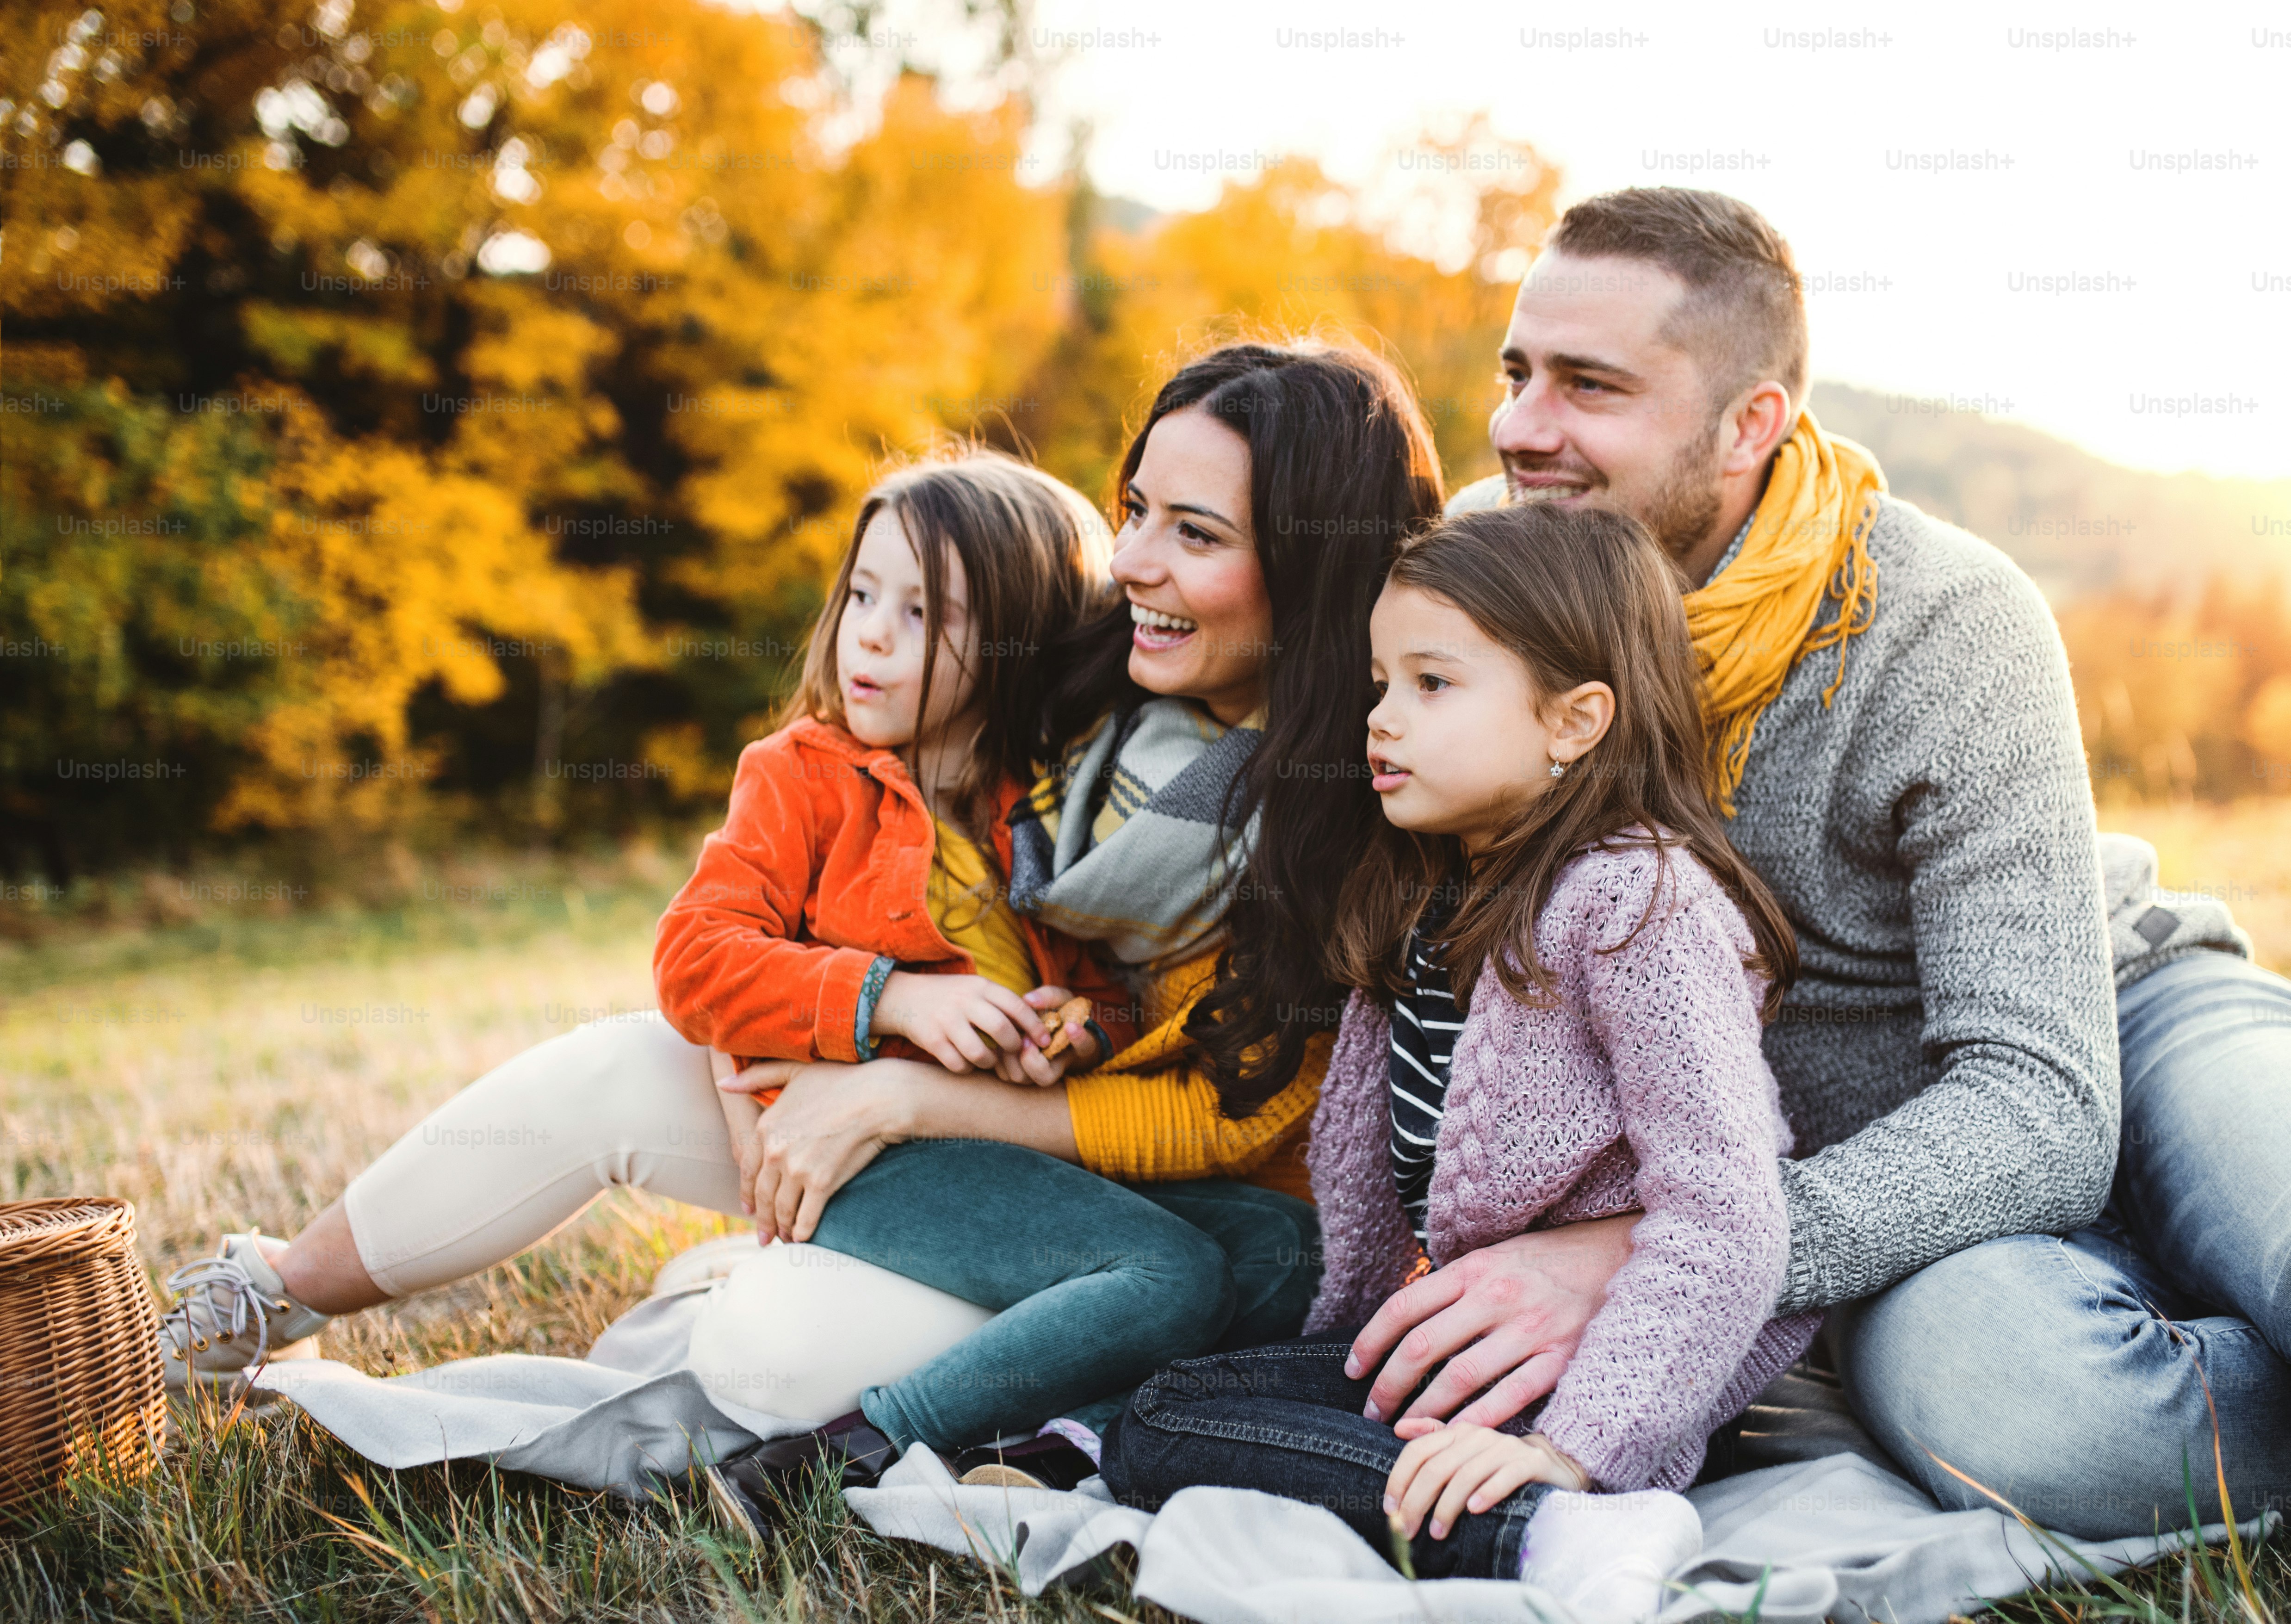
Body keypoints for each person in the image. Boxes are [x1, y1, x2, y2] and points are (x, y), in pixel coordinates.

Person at [157, 343, 1448, 1480]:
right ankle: (276, 1285)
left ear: (1312, 568)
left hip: (1133, 1194)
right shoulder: (1082, 718)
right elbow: (721, 950)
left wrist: (931, 1081)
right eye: (1133, 512)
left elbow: (1207, 1106)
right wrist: (789, 1063)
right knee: (617, 1063)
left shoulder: (1367, 802)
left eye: (1197, 533)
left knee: (766, 1357)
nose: (1136, 563)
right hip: (920, 1130)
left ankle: (834, 1382)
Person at [1330, 185, 2289, 1535]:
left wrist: (1652, 1255)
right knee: (2040, 1419)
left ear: (1750, 426)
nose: (1518, 426)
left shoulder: (1942, 616)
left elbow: (2041, 1098)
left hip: (2116, 1018)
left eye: (1588, 384)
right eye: (1517, 370)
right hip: (1871, 1172)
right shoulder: (1493, 575)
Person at [1104, 504, 1814, 1612]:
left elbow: (1727, 1213)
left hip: (1594, 1387)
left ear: (1574, 720)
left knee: (1158, 1429)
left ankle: (1547, 1531)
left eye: (1432, 685)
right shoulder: (1433, 896)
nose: (1381, 721)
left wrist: (1572, 1449)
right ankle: (1461, 1503)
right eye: (1382, 685)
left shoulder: (1638, 904)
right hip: (1472, 1365)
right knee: (1167, 1405)